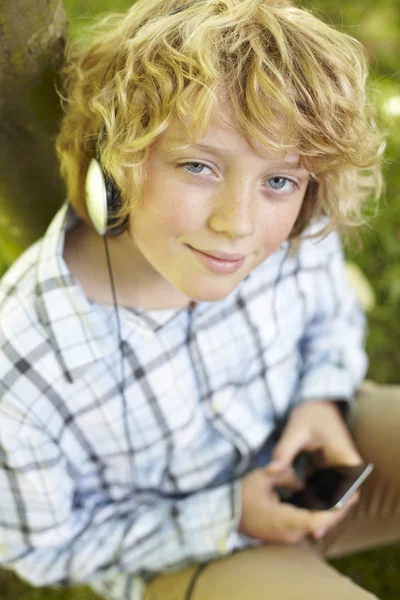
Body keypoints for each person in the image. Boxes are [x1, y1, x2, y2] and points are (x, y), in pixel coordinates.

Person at [0, 1, 399, 599]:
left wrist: (321, 398)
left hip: (312, 456)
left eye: (279, 180)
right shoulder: (25, 357)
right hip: (182, 557)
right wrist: (226, 515)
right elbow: (41, 547)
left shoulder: (288, 233)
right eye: (198, 166)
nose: (238, 224)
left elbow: (329, 322)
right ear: (115, 159)